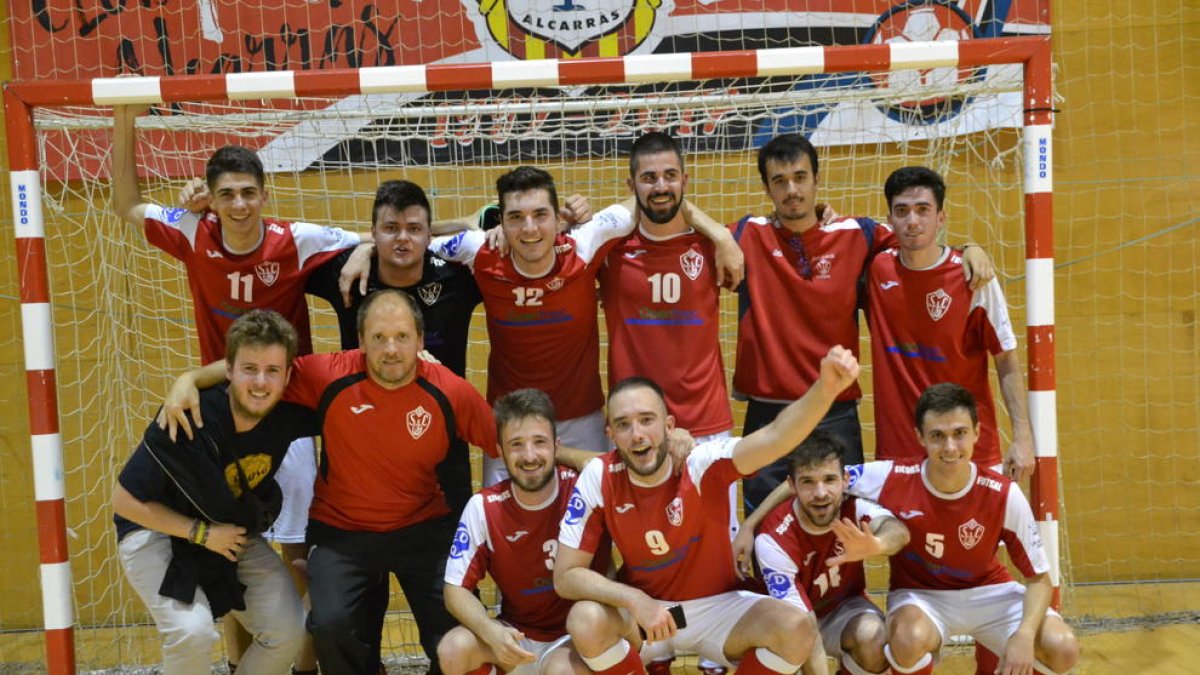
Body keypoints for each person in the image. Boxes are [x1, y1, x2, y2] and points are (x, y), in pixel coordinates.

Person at [112, 104, 364, 674]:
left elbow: (379, 235)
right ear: (211, 197)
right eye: (228, 194)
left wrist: (376, 245)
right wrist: (125, 119)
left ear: (265, 194)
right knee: (220, 539)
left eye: (250, 192)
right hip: (217, 415)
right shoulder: (191, 229)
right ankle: (235, 662)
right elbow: (126, 203)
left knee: (293, 545)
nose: (240, 205)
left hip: (286, 414)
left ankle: (303, 664)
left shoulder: (293, 239)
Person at [162, 289, 500, 675]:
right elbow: (261, 366)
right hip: (342, 530)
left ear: (421, 341)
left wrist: (577, 464)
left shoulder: (449, 390)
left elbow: (508, 444)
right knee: (331, 625)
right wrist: (189, 377)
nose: (391, 349)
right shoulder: (329, 374)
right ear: (360, 342)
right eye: (378, 338)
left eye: (402, 337)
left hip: (422, 526)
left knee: (463, 631)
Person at [552, 346, 863, 675]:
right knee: (584, 620)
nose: (638, 434)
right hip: (646, 613)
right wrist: (634, 599)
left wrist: (825, 389)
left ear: (669, 425)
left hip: (719, 608)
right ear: (610, 434)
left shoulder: (701, 464)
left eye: (647, 420)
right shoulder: (598, 476)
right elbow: (566, 576)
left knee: (797, 627)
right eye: (624, 425)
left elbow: (774, 437)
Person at [731, 133, 993, 512]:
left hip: (835, 410)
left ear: (817, 180)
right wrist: (720, 240)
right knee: (764, 524)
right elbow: (685, 231)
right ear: (767, 188)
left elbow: (917, 240)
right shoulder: (746, 234)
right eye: (780, 181)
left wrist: (968, 247)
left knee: (843, 521)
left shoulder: (860, 234)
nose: (792, 189)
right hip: (769, 410)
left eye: (800, 177)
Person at [596, 130, 744, 675]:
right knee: (638, 548)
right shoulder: (610, 250)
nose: (660, 186)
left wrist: (720, 234)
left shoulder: (712, 248)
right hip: (638, 433)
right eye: (648, 177)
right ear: (631, 184)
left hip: (708, 424)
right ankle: (652, 653)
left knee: (717, 553)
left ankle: (714, 657)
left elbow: (745, 257)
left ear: (685, 179)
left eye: (669, 175)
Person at [112, 310, 315, 674]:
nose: (260, 382)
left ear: (287, 376)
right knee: (193, 633)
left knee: (289, 630)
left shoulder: (289, 412)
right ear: (228, 370)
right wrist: (201, 534)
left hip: (228, 532)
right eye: (249, 368)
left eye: (272, 371)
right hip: (156, 530)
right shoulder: (188, 415)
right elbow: (124, 501)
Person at [845, 383, 1079, 675]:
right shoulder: (891, 476)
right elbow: (822, 481)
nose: (950, 447)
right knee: (907, 639)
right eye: (937, 436)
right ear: (920, 437)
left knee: (1063, 647)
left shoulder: (1002, 493)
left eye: (960, 433)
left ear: (977, 433)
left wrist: (1025, 635)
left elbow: (1039, 578)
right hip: (921, 596)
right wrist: (769, 515)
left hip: (989, 592)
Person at [429, 166, 637, 460]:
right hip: (510, 423)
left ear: (558, 218)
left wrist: (718, 234)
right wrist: (466, 221)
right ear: (500, 221)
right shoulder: (480, 251)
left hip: (582, 421)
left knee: (595, 505)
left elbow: (643, 198)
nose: (529, 229)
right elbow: (410, 237)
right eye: (515, 217)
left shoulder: (585, 243)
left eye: (540, 215)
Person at [866, 166, 1034, 480]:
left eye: (923, 210)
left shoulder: (973, 278)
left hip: (971, 454)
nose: (912, 221)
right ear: (889, 219)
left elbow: (1006, 357)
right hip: (900, 455)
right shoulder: (877, 268)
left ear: (941, 217)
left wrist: (1023, 438)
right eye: (902, 211)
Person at [438, 389, 609, 675]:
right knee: (453, 648)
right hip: (516, 636)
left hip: (576, 636)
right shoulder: (484, 506)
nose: (529, 456)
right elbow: (454, 590)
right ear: (500, 450)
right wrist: (491, 631)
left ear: (557, 446)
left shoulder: (585, 488)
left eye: (539, 442)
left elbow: (629, 467)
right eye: (516, 444)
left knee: (560, 671)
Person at [746, 430, 910, 675]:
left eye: (829, 480)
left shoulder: (853, 508)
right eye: (808, 482)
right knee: (794, 641)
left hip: (842, 609)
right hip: (788, 624)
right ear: (792, 486)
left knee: (875, 639)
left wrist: (877, 544)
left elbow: (898, 531)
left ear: (845, 480)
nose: (821, 493)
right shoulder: (774, 539)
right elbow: (805, 628)